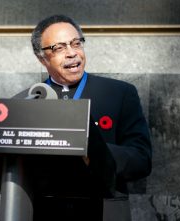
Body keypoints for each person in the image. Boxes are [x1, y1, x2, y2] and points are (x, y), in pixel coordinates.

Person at [17, 14, 152, 221]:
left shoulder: (120, 93)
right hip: (45, 211)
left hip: (105, 209)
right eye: (59, 48)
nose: (72, 53)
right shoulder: (24, 103)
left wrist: (96, 152)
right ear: (41, 58)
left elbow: (142, 159)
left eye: (76, 43)